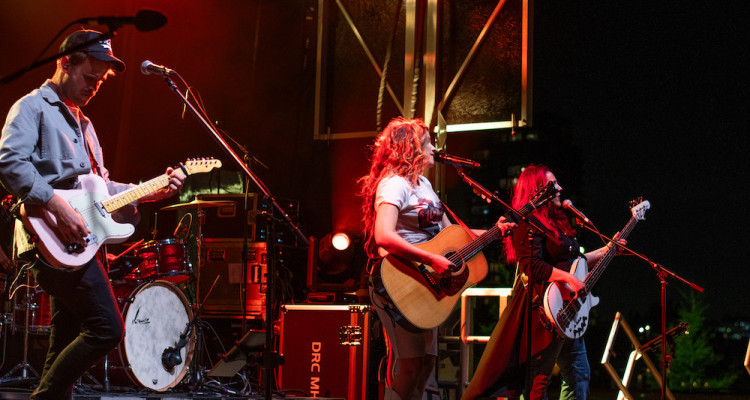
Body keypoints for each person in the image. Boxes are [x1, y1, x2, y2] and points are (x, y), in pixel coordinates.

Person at [0, 30, 186, 399]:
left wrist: (150, 190)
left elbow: (100, 190)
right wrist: (57, 206)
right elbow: (9, 163)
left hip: (82, 242)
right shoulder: (31, 108)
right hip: (50, 236)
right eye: (89, 78)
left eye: (100, 82)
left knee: (65, 337)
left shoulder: (85, 125)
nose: (94, 88)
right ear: (64, 63)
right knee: (107, 328)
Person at [358, 117, 514, 400]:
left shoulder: (425, 186)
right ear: (411, 148)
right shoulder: (394, 185)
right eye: (428, 142)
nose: (433, 147)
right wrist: (432, 260)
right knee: (410, 365)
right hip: (400, 281)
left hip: (427, 285)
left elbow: (452, 235)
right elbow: (383, 236)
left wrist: (496, 231)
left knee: (425, 365)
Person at [461, 164, 624, 400]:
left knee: (579, 375)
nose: (559, 188)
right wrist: (569, 278)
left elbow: (574, 262)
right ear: (538, 190)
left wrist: (607, 250)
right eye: (553, 184)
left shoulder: (557, 223)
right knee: (539, 384)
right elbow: (533, 266)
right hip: (545, 315)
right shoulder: (525, 223)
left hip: (570, 310)